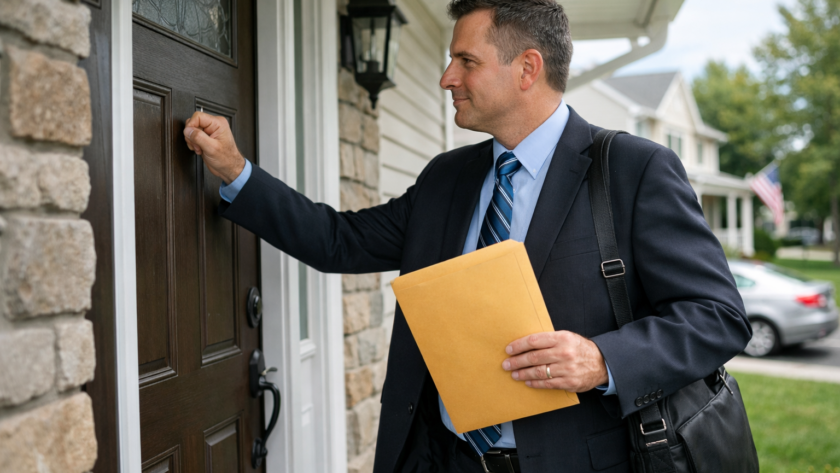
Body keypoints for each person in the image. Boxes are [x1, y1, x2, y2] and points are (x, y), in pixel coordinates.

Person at [183, 1, 751, 471]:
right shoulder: (445, 178)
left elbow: (717, 315)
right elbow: (340, 241)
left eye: (465, 60)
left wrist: (603, 359)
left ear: (527, 69)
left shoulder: (632, 168)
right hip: (443, 459)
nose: (446, 77)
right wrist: (238, 173)